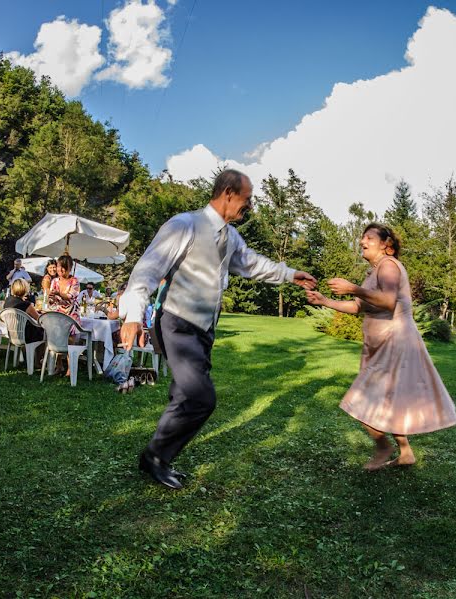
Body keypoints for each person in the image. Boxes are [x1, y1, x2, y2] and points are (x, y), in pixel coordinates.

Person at [119, 169, 317, 490]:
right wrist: (131, 315)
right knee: (201, 397)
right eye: (247, 199)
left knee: (185, 393)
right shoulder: (184, 225)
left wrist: (291, 274)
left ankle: (160, 458)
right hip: (176, 321)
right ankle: (154, 456)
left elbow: (253, 264)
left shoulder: (231, 237)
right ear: (227, 193)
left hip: (204, 328)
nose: (249, 206)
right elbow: (148, 269)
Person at [307, 223, 456, 470]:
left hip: (395, 341)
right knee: (389, 400)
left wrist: (352, 288)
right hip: (380, 345)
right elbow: (357, 307)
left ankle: (383, 446)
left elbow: (388, 301)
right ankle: (406, 452)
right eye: (362, 237)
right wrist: (325, 300)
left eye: (368, 237)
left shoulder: (388, 266)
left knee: (362, 398)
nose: (362, 241)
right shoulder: (374, 272)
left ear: (386, 245)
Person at [3, 279, 44, 344]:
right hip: (26, 335)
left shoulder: (7, 301)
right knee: (45, 330)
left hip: (13, 333)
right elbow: (39, 319)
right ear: (25, 289)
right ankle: (40, 353)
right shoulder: (26, 305)